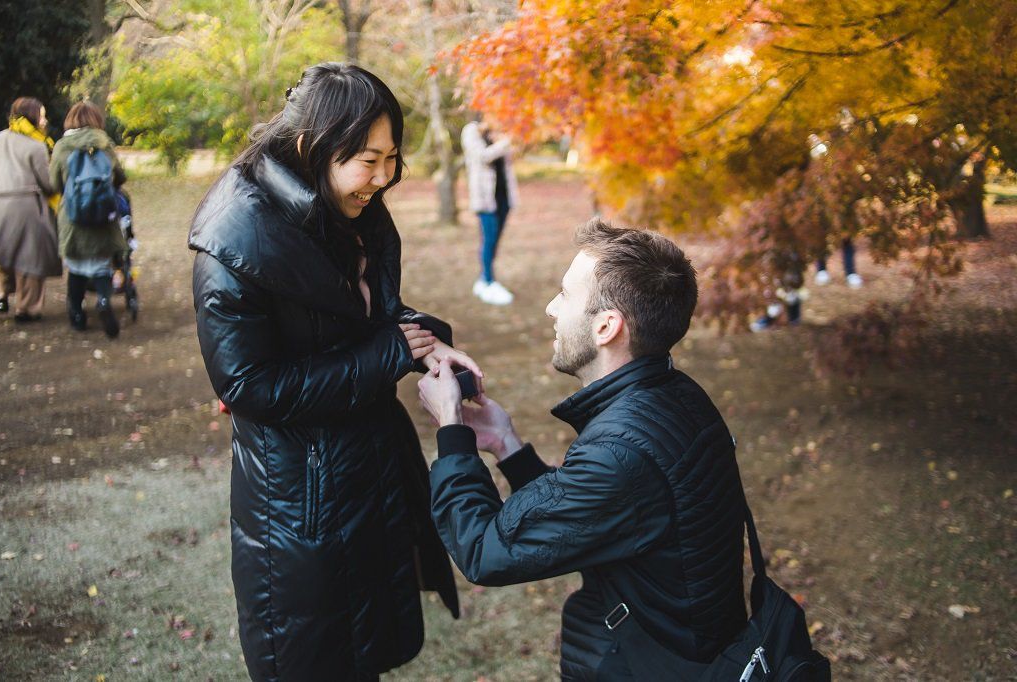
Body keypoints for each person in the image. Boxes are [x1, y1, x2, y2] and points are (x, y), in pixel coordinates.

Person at [189, 63, 481, 681]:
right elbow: (247, 386)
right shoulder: (235, 239)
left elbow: (370, 314)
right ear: (308, 147)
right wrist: (390, 353)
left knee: (364, 658)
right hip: (300, 504)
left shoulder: (349, 208)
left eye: (391, 159)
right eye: (366, 159)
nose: (381, 178)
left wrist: (427, 343)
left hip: (366, 477)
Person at [418, 218, 749, 680]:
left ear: (607, 327)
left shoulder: (622, 452)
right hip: (687, 649)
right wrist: (505, 444)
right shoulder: (675, 395)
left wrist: (451, 429)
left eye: (565, 294)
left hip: (646, 665)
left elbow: (484, 550)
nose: (552, 308)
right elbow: (586, 513)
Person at [49, 101, 127, 338]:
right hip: (103, 217)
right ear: (97, 120)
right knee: (102, 266)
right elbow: (120, 177)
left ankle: (77, 315)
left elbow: (54, 184)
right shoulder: (105, 144)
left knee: (76, 268)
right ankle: (103, 301)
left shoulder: (62, 146)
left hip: (72, 219)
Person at [0, 97, 63, 321]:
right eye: (41, 115)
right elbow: (47, 184)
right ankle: (27, 308)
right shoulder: (37, 145)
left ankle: (3, 293)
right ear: (33, 116)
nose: (45, 120)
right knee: (31, 257)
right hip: (26, 204)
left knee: (5, 251)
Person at [461, 115, 519, 305]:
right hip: (485, 198)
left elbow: (509, 159)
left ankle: (483, 280)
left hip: (503, 196)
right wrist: (505, 142)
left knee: (495, 241)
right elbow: (482, 156)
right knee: (489, 238)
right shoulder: (471, 130)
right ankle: (488, 281)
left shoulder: (499, 132)